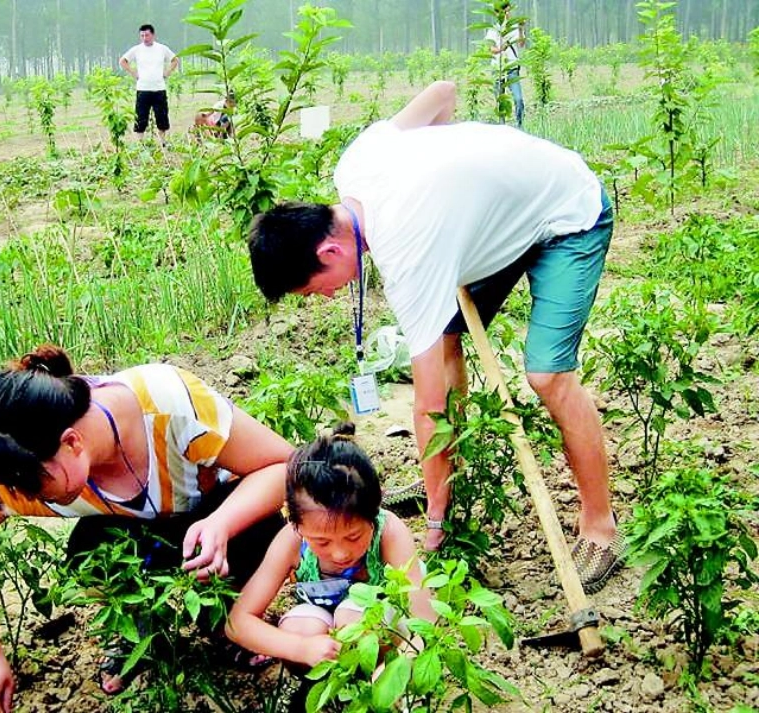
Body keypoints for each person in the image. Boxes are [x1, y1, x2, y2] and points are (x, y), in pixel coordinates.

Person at [247, 80, 622, 595]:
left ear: (331, 253)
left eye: (315, 290)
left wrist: (433, 527)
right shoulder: (354, 166)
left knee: (547, 375)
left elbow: (427, 404)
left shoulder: (408, 251)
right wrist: (456, 186)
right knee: (447, 342)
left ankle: (600, 525)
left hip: (566, 213)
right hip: (497, 224)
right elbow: (442, 93)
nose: (326, 298)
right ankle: (448, 481)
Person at [0, 345, 292, 712]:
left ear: (72, 443)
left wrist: (222, 523)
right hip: (137, 539)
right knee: (90, 550)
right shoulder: (19, 469)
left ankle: (228, 621)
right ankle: (140, 635)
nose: (25, 498)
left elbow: (284, 465)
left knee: (256, 531)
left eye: (36, 487)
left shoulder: (167, 406)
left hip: (211, 523)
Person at [226, 424, 433, 670]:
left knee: (353, 622)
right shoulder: (291, 541)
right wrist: (300, 649)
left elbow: (424, 617)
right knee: (300, 631)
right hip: (320, 617)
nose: (340, 553)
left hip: (377, 617)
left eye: (354, 536)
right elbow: (237, 622)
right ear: (296, 524)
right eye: (322, 542)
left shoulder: (388, 532)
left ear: (374, 512)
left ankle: (366, 681)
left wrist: (394, 672)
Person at [118, 24, 179, 142]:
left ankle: (163, 142)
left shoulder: (162, 49)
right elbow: (123, 61)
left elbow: (175, 60)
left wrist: (167, 72)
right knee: (141, 117)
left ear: (153, 35)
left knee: (161, 117)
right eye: (142, 35)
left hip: (159, 88)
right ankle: (140, 143)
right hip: (143, 89)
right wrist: (133, 73)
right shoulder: (136, 50)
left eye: (147, 35)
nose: (144, 38)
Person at [485, 1, 525, 128]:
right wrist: (502, 48)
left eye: (508, 10)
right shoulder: (494, 29)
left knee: (518, 100)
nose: (508, 14)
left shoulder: (514, 28)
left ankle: (520, 127)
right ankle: (502, 129)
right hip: (498, 69)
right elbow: (491, 49)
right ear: (498, 13)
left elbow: (521, 44)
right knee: (500, 103)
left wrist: (520, 28)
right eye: (504, 11)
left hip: (512, 68)